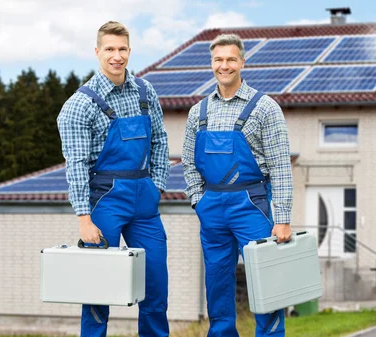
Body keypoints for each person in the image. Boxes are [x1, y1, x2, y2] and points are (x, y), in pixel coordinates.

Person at [57, 21, 170, 337]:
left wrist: (157, 185)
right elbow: (76, 166)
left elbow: (160, 140)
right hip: (105, 201)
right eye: (109, 49)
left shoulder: (146, 92)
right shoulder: (78, 106)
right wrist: (83, 219)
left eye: (122, 49)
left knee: (156, 283)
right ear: (97, 52)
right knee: (97, 288)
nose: (116, 56)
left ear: (130, 51)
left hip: (145, 201)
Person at [182, 34, 293, 337]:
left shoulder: (265, 108)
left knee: (266, 283)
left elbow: (282, 167)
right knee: (217, 284)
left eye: (231, 59)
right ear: (211, 63)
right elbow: (189, 163)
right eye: (219, 59)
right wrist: (198, 200)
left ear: (243, 62)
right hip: (212, 207)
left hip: (252, 204)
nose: (225, 65)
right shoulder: (198, 112)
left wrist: (282, 219)